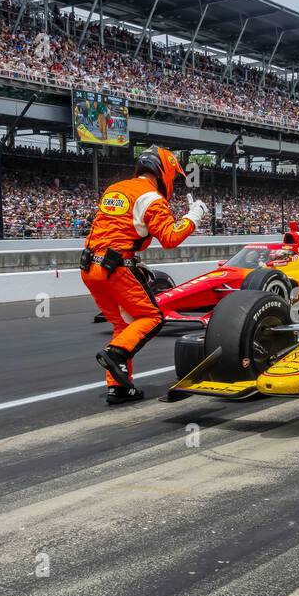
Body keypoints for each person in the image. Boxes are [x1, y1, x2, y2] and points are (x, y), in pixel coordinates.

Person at [81, 145, 206, 405]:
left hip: (89, 268)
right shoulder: (151, 197)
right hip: (116, 269)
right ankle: (115, 353)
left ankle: (119, 388)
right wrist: (194, 216)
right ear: (165, 173)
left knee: (122, 326)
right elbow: (170, 237)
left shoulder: (115, 189)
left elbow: (117, 229)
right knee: (152, 317)